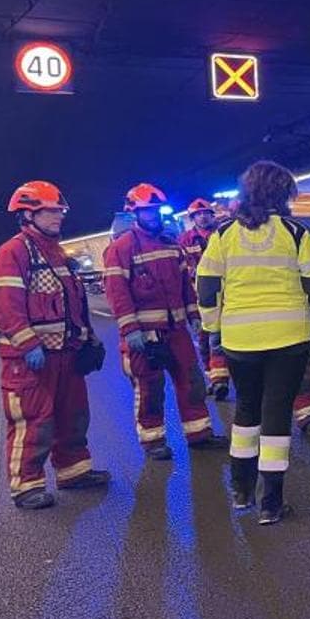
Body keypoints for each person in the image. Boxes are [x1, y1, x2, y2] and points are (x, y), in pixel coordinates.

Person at [197, 161, 310, 525]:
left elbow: (207, 285)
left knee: (246, 412)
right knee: (276, 416)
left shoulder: (224, 235)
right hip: (288, 339)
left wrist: (215, 326)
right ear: (284, 193)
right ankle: (270, 503)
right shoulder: (298, 233)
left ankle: (240, 490)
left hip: (239, 340)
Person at [0, 181, 111, 509]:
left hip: (64, 354)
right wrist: (28, 343)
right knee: (33, 419)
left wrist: (89, 337)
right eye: (51, 211)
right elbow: (5, 305)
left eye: (60, 211)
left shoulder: (55, 252)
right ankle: (26, 485)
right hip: (30, 358)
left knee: (73, 415)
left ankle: (73, 471)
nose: (59, 216)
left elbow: (74, 302)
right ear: (28, 214)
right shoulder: (13, 252)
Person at [104, 185, 227, 460]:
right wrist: (130, 329)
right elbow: (117, 292)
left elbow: (186, 285)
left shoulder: (171, 244)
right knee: (150, 389)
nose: (152, 215)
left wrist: (195, 315)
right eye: (146, 211)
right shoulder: (121, 248)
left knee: (192, 381)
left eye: (155, 210)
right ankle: (153, 440)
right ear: (134, 213)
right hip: (144, 336)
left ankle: (199, 434)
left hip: (176, 332)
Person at [178, 199, 231, 400]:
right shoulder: (185, 240)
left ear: (212, 215)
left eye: (206, 213)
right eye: (198, 214)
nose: (203, 217)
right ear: (193, 218)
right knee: (205, 339)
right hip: (202, 298)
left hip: (228, 295)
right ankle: (214, 379)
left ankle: (224, 378)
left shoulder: (224, 233)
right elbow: (182, 268)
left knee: (226, 337)